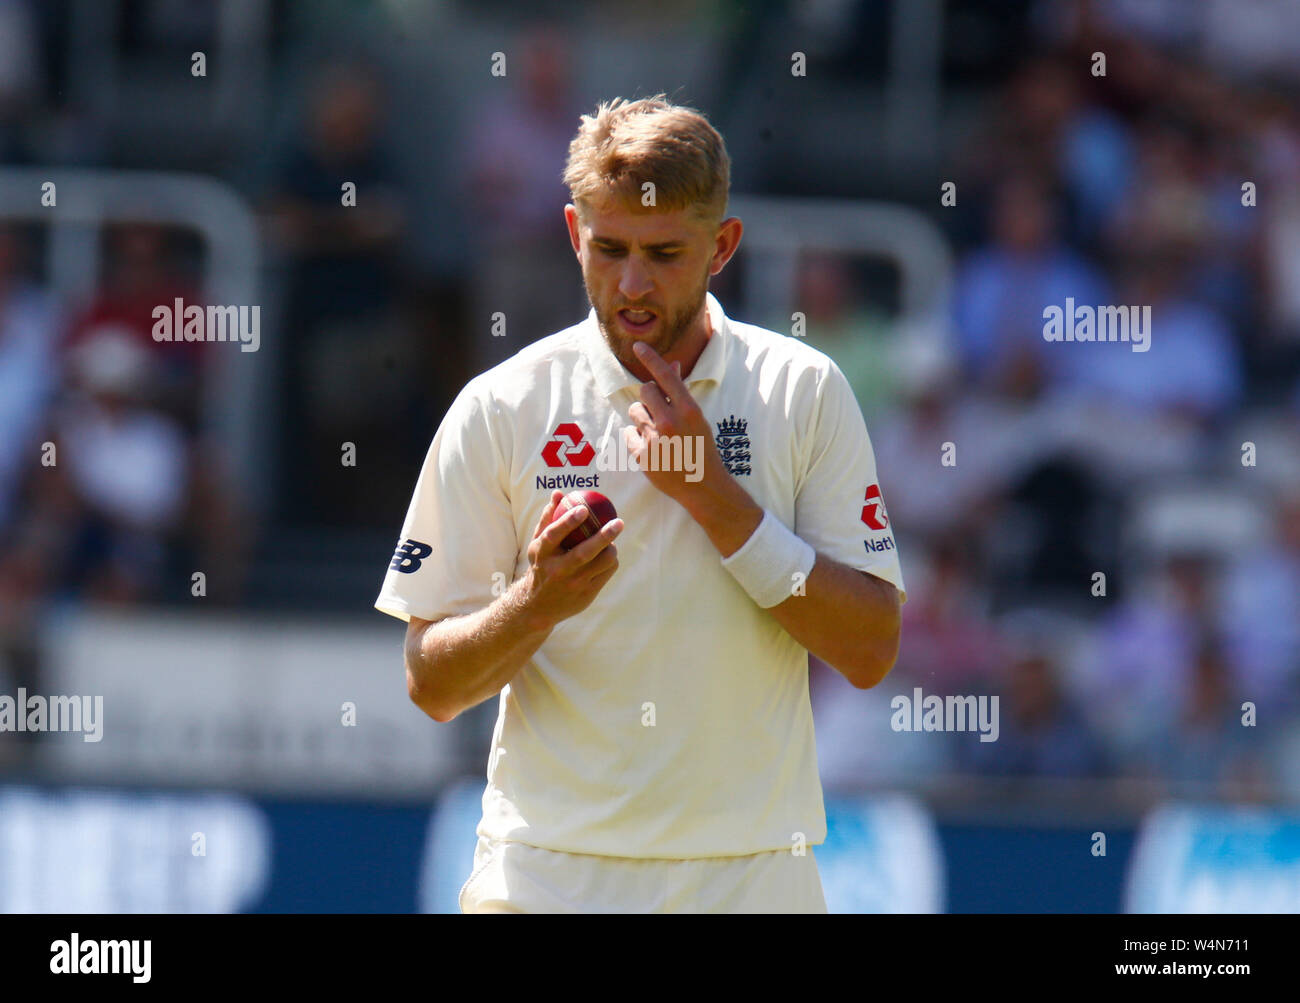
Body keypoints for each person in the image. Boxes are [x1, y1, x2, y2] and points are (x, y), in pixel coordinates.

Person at [375, 96, 906, 914]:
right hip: (546, 874)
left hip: (748, 876)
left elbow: (870, 648)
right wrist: (534, 604)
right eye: (608, 248)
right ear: (571, 233)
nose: (631, 285)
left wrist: (717, 503)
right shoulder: (503, 405)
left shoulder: (802, 391)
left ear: (722, 245)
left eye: (664, 253)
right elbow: (432, 684)